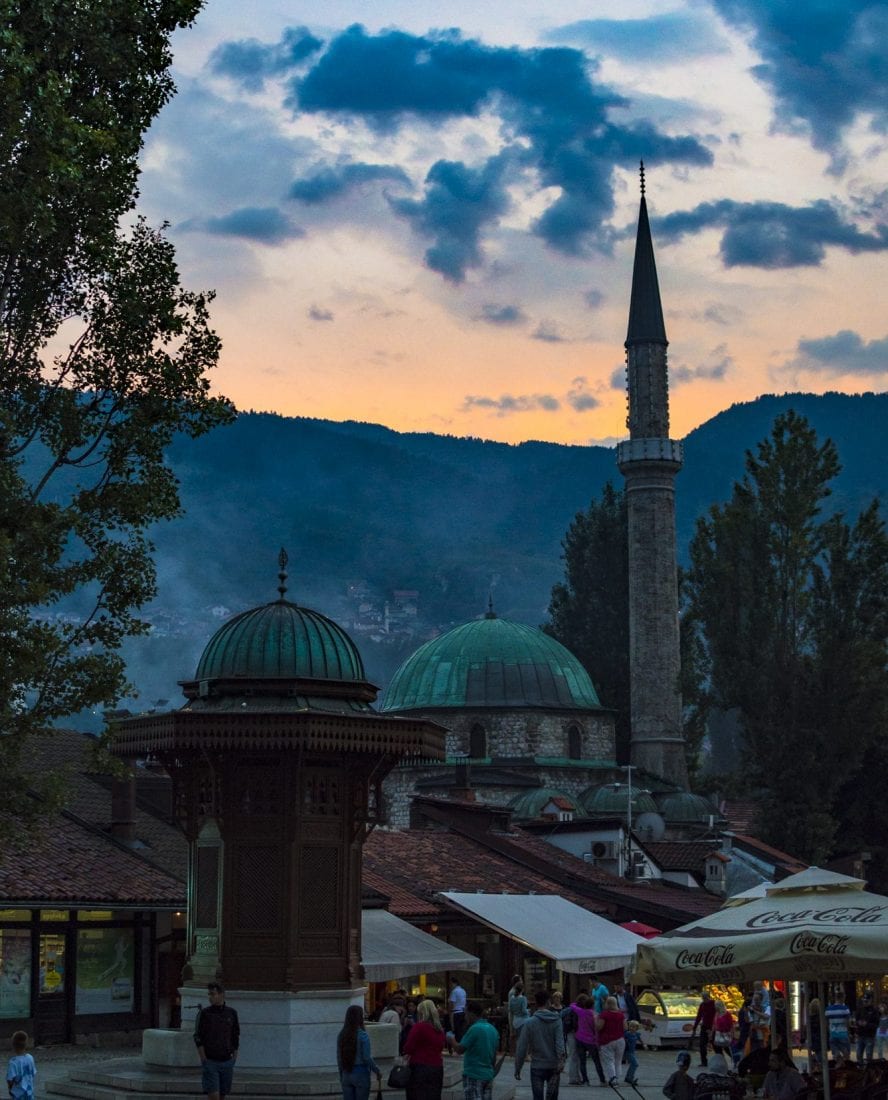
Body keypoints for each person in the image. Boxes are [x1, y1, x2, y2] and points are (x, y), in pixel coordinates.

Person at [515, 990, 565, 1100]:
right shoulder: (557, 1021)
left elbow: (522, 1047)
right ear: (548, 1002)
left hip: (537, 1065)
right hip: (553, 1066)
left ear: (536, 1004)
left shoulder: (529, 1023)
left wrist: (518, 1067)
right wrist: (561, 1060)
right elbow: (560, 1043)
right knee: (552, 1097)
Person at [194, 982, 240, 1100]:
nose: (210, 997)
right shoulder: (205, 1014)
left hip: (226, 1060)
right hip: (211, 1061)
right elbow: (198, 1036)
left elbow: (235, 1035)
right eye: (209, 994)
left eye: (213, 994)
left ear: (221, 995)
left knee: (222, 1094)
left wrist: (234, 1056)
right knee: (213, 1095)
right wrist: (203, 1058)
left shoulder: (231, 1013)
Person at [451, 1000, 500, 1100]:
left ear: (471, 1014)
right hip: (488, 1075)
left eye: (466, 1014)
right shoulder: (492, 1029)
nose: (465, 1017)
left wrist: (451, 1039)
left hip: (474, 1074)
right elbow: (494, 1056)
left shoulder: (474, 1029)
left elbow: (460, 1049)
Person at [403, 998, 447, 1100]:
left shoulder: (419, 1027)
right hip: (437, 1068)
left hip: (420, 1068)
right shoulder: (439, 1029)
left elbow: (408, 1047)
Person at [337, 1004, 382, 1100]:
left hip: (346, 1072)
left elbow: (339, 1058)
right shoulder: (362, 1035)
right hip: (361, 1073)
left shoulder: (342, 1035)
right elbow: (366, 1057)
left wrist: (341, 1074)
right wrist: (376, 1070)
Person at [572, 992, 605, 1085]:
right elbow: (596, 1030)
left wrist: (578, 1002)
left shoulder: (581, 1012)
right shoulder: (595, 1015)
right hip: (591, 1040)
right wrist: (597, 1042)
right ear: (593, 1005)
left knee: (582, 1061)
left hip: (579, 1038)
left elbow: (572, 1005)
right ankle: (602, 1080)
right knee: (596, 1061)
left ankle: (585, 1080)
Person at [596, 995, 626, 1085]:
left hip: (607, 1040)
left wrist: (595, 1022)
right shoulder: (621, 1015)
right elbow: (625, 1027)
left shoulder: (604, 1014)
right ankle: (617, 1078)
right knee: (618, 1061)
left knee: (609, 1060)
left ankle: (612, 1078)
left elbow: (599, 1027)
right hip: (620, 1040)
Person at [6, 1031, 36, 1100]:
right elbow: (33, 1073)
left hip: (18, 1094)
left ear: (13, 1045)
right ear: (26, 1044)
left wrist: (10, 1089)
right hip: (29, 1091)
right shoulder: (30, 1058)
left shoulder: (13, 1062)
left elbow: (10, 1079)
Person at [560, 996, 582, 1085]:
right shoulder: (581, 1010)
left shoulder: (568, 1009)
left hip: (569, 1033)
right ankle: (576, 1077)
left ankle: (573, 1077)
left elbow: (560, 1015)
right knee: (577, 1056)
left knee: (573, 1054)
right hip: (579, 1033)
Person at [825, 991, 851, 1065]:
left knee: (836, 1054)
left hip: (833, 1034)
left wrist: (829, 1032)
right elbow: (847, 1023)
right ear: (842, 998)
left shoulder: (828, 1009)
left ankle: (838, 1065)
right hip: (843, 1034)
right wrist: (849, 1034)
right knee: (846, 1055)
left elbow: (826, 1023)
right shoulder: (845, 1009)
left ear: (835, 998)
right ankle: (845, 1068)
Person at [691, 991, 717, 1067]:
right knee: (702, 1045)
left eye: (705, 998)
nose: (704, 999)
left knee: (715, 1045)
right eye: (703, 998)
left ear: (709, 997)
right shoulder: (702, 1005)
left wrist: (714, 1026)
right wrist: (695, 1027)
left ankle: (719, 1059)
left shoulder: (714, 1004)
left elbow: (717, 1015)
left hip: (713, 1027)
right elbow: (699, 1016)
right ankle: (704, 1062)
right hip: (704, 1027)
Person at [855, 993, 879, 1063]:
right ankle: (860, 1068)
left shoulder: (874, 1011)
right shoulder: (860, 1009)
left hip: (869, 1036)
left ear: (870, 1000)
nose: (865, 1002)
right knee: (859, 1054)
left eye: (866, 1001)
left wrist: (867, 1024)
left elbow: (876, 1024)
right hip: (860, 1035)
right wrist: (858, 1023)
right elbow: (856, 1020)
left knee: (869, 1055)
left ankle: (868, 1071)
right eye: (864, 1001)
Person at [509, 981, 530, 1049]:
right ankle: (526, 1054)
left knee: (518, 1038)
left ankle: (518, 1052)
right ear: (522, 989)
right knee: (525, 1038)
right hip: (523, 1020)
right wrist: (528, 1011)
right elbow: (523, 1010)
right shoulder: (523, 999)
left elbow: (511, 1010)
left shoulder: (512, 999)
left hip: (515, 1021)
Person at [624, 1019, 643, 1085]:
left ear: (637, 1028)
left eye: (634, 1027)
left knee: (633, 1064)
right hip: (627, 1051)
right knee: (635, 1064)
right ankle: (629, 1078)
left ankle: (629, 1077)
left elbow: (639, 1038)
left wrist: (644, 1044)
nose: (632, 1028)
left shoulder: (636, 1034)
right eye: (630, 1026)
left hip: (632, 1052)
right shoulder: (627, 1034)